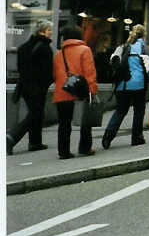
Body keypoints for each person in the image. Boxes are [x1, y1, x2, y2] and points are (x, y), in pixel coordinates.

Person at [7, 20, 55, 154]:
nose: (51, 32)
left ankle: (35, 142)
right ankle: (10, 138)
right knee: (35, 114)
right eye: (49, 30)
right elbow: (47, 71)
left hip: (24, 87)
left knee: (36, 113)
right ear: (42, 31)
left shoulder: (23, 47)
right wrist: (46, 84)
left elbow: (21, 69)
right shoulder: (45, 47)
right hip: (38, 87)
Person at [53, 25, 99, 159]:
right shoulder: (85, 50)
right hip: (80, 91)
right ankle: (84, 148)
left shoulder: (59, 53)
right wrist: (92, 91)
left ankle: (63, 151)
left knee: (64, 124)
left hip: (62, 91)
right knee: (85, 121)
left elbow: (55, 75)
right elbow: (89, 72)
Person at [102, 25, 149, 149]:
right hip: (138, 85)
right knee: (139, 111)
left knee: (120, 111)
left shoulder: (122, 47)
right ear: (143, 35)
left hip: (122, 86)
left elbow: (112, 62)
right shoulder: (143, 47)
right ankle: (137, 138)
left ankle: (107, 136)